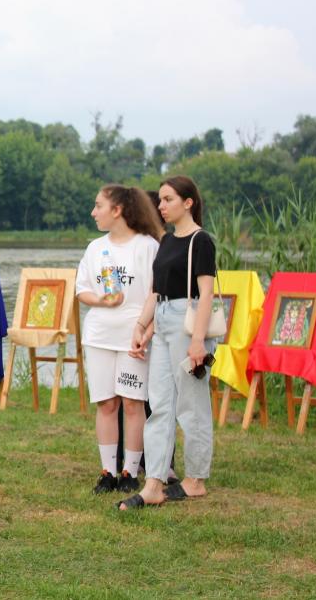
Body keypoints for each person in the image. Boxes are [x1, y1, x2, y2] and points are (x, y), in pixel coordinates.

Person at [119, 175, 217, 510]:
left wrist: (198, 341)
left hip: (187, 322)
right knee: (159, 403)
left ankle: (196, 480)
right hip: (162, 320)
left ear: (188, 203)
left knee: (191, 405)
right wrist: (142, 326)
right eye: (160, 200)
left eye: (168, 199)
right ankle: (154, 483)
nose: (160, 206)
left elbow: (206, 294)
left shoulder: (201, 241)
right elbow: (155, 291)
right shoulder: (167, 242)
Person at [76, 185, 161, 495]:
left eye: (98, 206)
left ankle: (130, 471)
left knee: (133, 402)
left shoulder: (147, 246)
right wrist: (102, 301)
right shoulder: (95, 248)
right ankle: (108, 472)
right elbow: (82, 289)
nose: (93, 212)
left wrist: (145, 329)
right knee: (106, 403)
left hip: (132, 338)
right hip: (99, 335)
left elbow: (155, 291)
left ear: (118, 210)